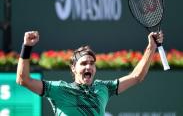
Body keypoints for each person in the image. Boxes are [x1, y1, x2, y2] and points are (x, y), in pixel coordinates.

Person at [16, 31, 163, 116]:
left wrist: (151, 47)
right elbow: (23, 80)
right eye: (84, 63)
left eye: (92, 63)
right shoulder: (58, 89)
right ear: (73, 68)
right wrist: (27, 47)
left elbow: (136, 77)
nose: (89, 67)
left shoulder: (104, 88)